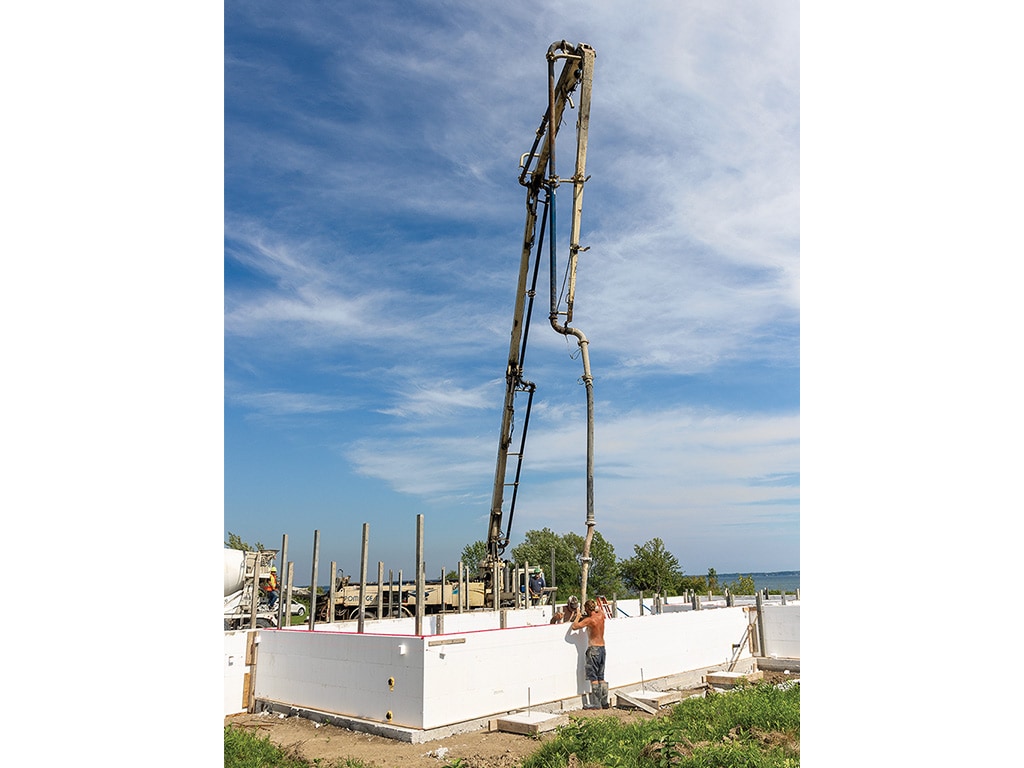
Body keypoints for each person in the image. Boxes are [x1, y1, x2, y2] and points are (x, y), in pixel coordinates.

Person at [570, 598, 608, 709]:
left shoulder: (590, 620)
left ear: (587, 609)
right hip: (602, 648)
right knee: (601, 677)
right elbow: (600, 610)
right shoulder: (601, 616)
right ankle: (604, 703)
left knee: (594, 678)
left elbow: (574, 626)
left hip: (593, 649)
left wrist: (577, 615)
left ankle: (596, 704)